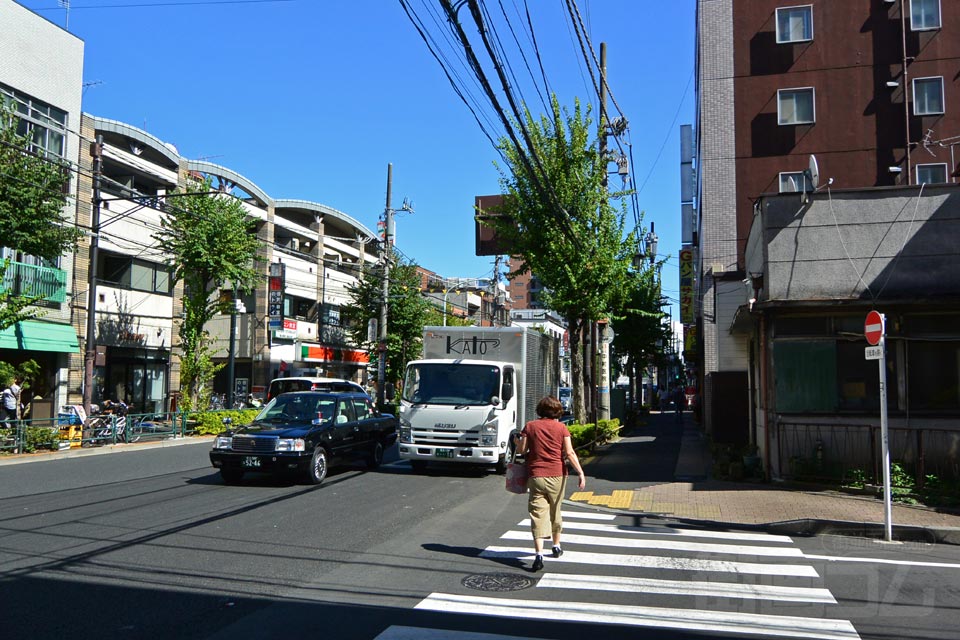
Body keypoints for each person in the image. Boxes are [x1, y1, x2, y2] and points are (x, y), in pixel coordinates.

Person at [514, 395, 586, 572]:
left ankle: (538, 555)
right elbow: (569, 453)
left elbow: (522, 450)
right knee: (556, 510)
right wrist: (581, 473)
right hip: (558, 475)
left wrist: (517, 441)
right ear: (557, 411)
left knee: (538, 514)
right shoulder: (562, 428)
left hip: (536, 475)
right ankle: (556, 545)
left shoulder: (530, 426)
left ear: (540, 410)